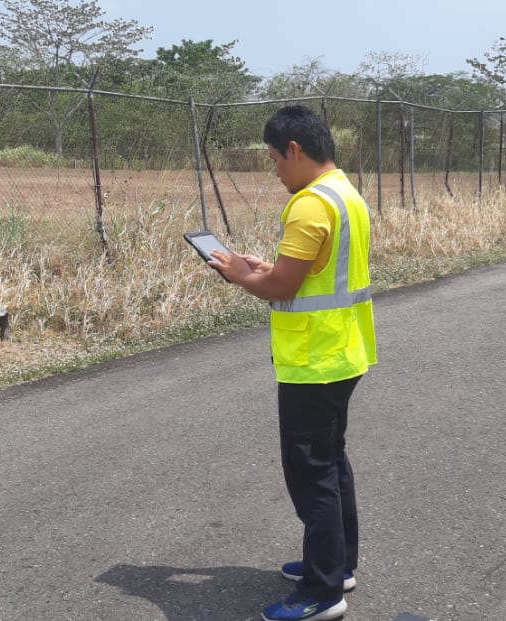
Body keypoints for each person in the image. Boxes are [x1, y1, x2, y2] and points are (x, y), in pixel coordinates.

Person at [209, 105, 377, 621]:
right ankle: (338, 564)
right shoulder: (346, 194)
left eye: (275, 159)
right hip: (344, 352)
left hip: (312, 361)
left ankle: (323, 593)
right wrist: (262, 267)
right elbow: (307, 273)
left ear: (296, 150)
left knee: (311, 474)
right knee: (331, 462)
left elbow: (282, 287)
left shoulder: (307, 206)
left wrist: (240, 274)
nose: (275, 170)